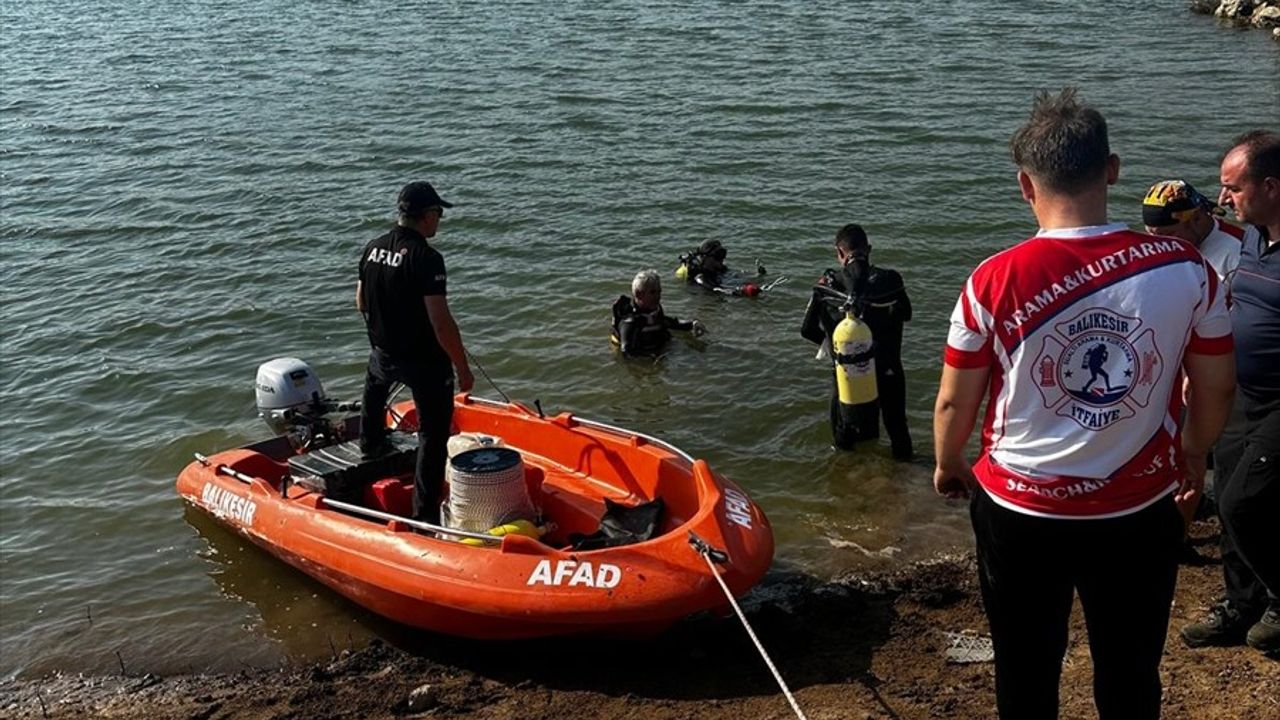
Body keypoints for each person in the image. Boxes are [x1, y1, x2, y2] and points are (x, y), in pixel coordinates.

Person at [933, 88, 1236, 719]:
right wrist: (1193, 455)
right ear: (1113, 169)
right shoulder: (1188, 268)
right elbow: (1215, 387)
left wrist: (949, 462)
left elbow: (953, 403)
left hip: (1021, 505)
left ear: (1025, 185)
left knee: (1025, 666)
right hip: (1138, 505)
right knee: (1130, 670)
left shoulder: (991, 278)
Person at [1181, 130, 1280, 655]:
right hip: (1241, 391)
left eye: (1233, 188)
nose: (1223, 199)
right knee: (1226, 502)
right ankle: (1242, 606)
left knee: (1244, 501)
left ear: (1270, 186)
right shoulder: (1252, 239)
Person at [356, 181, 474, 525]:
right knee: (433, 436)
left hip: (383, 351)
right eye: (438, 213)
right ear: (425, 216)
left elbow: (360, 301)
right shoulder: (427, 258)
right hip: (423, 360)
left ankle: (371, 444)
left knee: (374, 392)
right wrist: (463, 368)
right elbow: (441, 323)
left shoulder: (372, 248)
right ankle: (423, 514)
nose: (439, 221)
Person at [800, 224, 913, 459]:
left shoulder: (826, 286)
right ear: (869, 249)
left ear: (839, 253)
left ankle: (848, 488)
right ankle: (907, 482)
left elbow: (807, 330)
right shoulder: (890, 280)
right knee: (898, 431)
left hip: (846, 376)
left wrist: (834, 344)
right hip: (888, 370)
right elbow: (907, 314)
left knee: (844, 443)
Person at [1142, 178, 1249, 281]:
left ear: (1197, 218)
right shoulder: (1159, 248)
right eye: (1150, 233)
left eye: (1168, 234)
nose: (1157, 244)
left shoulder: (1239, 253)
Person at [611, 269, 706, 357]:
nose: (658, 296)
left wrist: (691, 324)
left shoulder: (654, 310)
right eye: (652, 292)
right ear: (638, 294)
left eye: (659, 292)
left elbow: (666, 322)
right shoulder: (629, 322)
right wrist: (652, 361)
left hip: (659, 345)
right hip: (648, 354)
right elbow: (627, 353)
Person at [677, 239, 766, 294]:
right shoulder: (700, 277)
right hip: (708, 299)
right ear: (706, 257)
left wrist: (757, 275)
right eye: (718, 255)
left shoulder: (719, 269)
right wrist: (741, 291)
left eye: (723, 254)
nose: (722, 259)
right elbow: (715, 290)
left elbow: (737, 275)